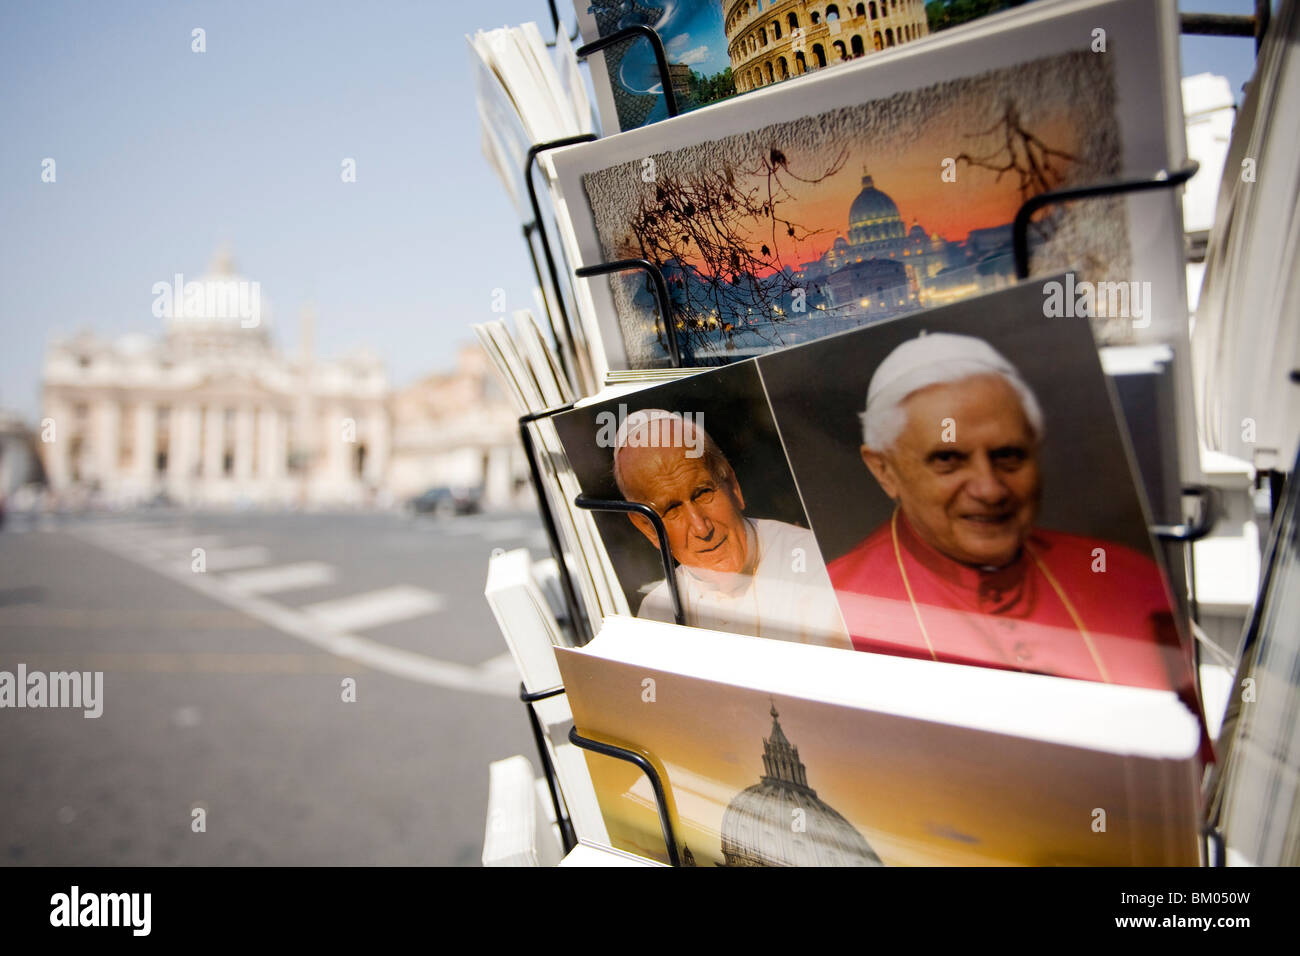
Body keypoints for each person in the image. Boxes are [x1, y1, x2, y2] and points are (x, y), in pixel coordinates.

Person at [827, 332, 1190, 691]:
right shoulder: (832, 603)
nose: (989, 490)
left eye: (1008, 456)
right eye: (948, 460)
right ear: (884, 470)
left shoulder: (1131, 579)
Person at [613, 409, 851, 650]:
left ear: (732, 486)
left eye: (703, 493)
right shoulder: (655, 615)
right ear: (649, 529)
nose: (700, 527)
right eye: (672, 509)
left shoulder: (818, 564)